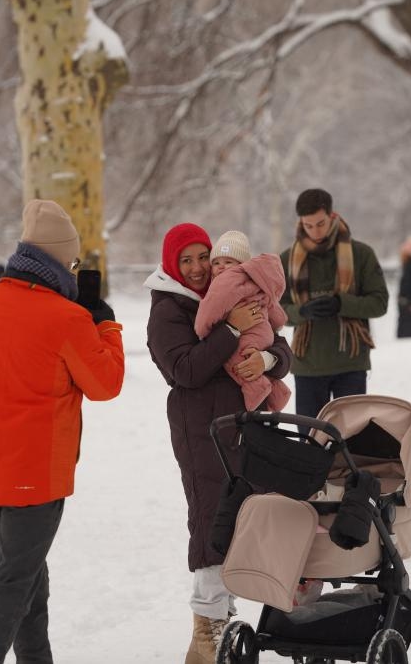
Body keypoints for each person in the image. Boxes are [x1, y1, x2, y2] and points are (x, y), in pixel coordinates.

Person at [0, 198, 124, 663]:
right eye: (72, 262)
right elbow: (105, 384)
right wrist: (104, 323)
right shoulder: (68, 318)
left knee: (29, 580)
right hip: (35, 473)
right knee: (14, 585)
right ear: (58, 259)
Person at [145, 223, 293, 664]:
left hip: (242, 426)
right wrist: (229, 331)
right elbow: (184, 370)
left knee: (240, 520)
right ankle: (208, 629)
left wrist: (264, 358)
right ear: (172, 263)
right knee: (212, 521)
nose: (196, 268)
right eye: (185, 260)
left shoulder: (232, 289)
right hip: (200, 431)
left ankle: (218, 627)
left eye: (201, 257)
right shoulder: (167, 310)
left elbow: (280, 346)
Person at [279, 188, 388, 428]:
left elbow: (380, 303)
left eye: (320, 223)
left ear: (331, 215)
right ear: (300, 222)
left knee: (354, 440)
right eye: (308, 226)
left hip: (350, 363)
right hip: (308, 365)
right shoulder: (286, 259)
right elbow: (277, 311)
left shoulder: (361, 254)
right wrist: (302, 312)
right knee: (310, 443)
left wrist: (341, 304)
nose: (315, 231)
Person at [194, 230, 291, 411]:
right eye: (216, 263)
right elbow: (275, 311)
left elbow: (210, 309)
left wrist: (203, 328)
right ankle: (278, 392)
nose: (222, 268)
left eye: (228, 262)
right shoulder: (258, 281)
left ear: (242, 264)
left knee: (239, 364)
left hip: (247, 337)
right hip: (264, 333)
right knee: (255, 364)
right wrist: (275, 322)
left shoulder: (225, 282)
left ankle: (257, 390)